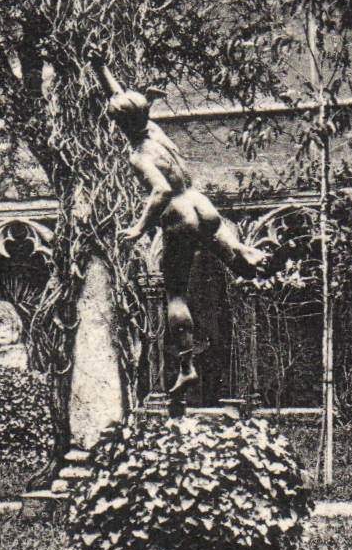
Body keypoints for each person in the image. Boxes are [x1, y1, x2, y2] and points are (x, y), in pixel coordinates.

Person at [109, 89, 270, 398]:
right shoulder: (156, 132)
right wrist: (101, 68)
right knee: (225, 246)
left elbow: (160, 191)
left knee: (175, 295)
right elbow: (122, 99)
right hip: (201, 204)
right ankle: (242, 254)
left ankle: (187, 367)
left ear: (120, 124)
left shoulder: (139, 155)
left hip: (179, 217)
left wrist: (139, 228)